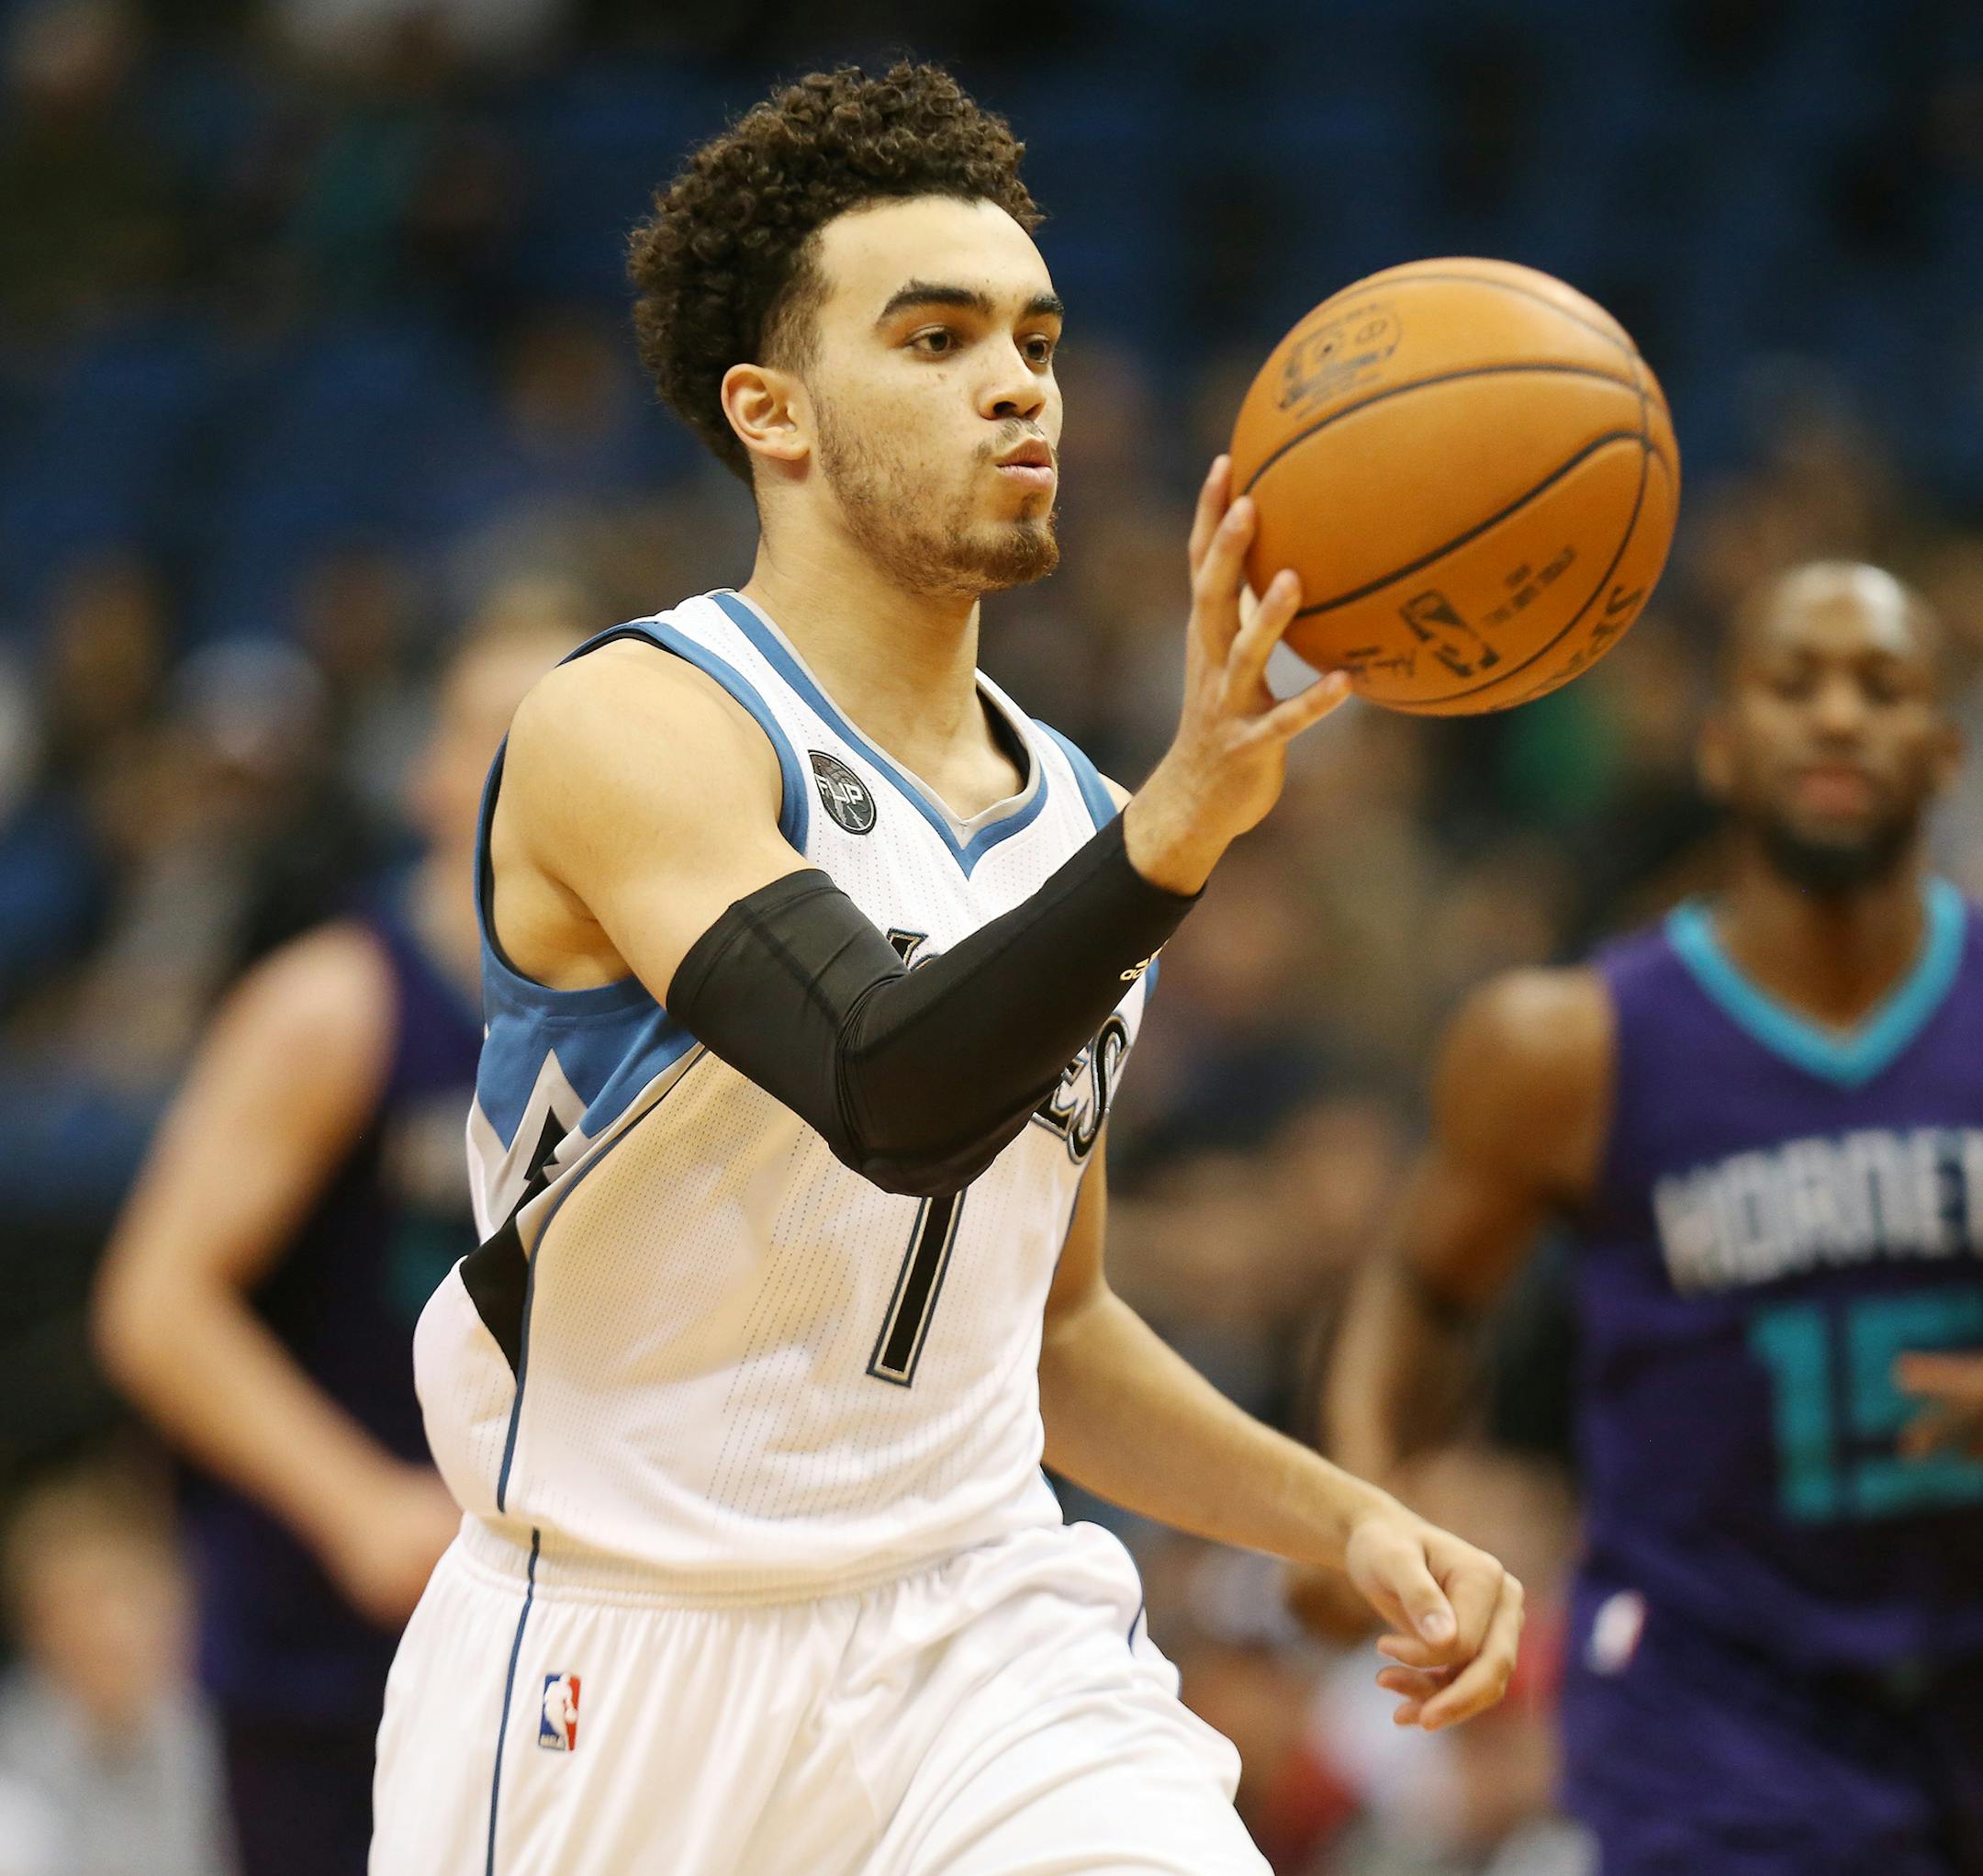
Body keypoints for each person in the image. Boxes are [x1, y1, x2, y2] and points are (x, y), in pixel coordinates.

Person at [370, 62, 1523, 1876]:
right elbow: (890, 1086)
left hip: (986, 1628)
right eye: (936, 336)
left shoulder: (1085, 819)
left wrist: (1343, 1515)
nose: (1018, 383)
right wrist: (1176, 834)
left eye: (1037, 339)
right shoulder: (636, 725)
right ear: (771, 410)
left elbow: (1044, 1331)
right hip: (623, 1653)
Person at [1326, 561, 1983, 1872]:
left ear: (1946, 749)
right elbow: (1421, 1290)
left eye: (1881, 687)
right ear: (1721, 745)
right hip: (1713, 1699)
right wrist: (1361, 1493)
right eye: (1795, 684)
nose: (1838, 716)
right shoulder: (1565, 1044)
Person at [93, 616, 571, 1876]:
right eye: (506, 734)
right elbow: (156, 1306)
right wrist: (354, 1503)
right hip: (329, 1645)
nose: (547, 767)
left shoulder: (664, 1023)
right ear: (431, 775)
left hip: (562, 1636)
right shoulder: (336, 1003)